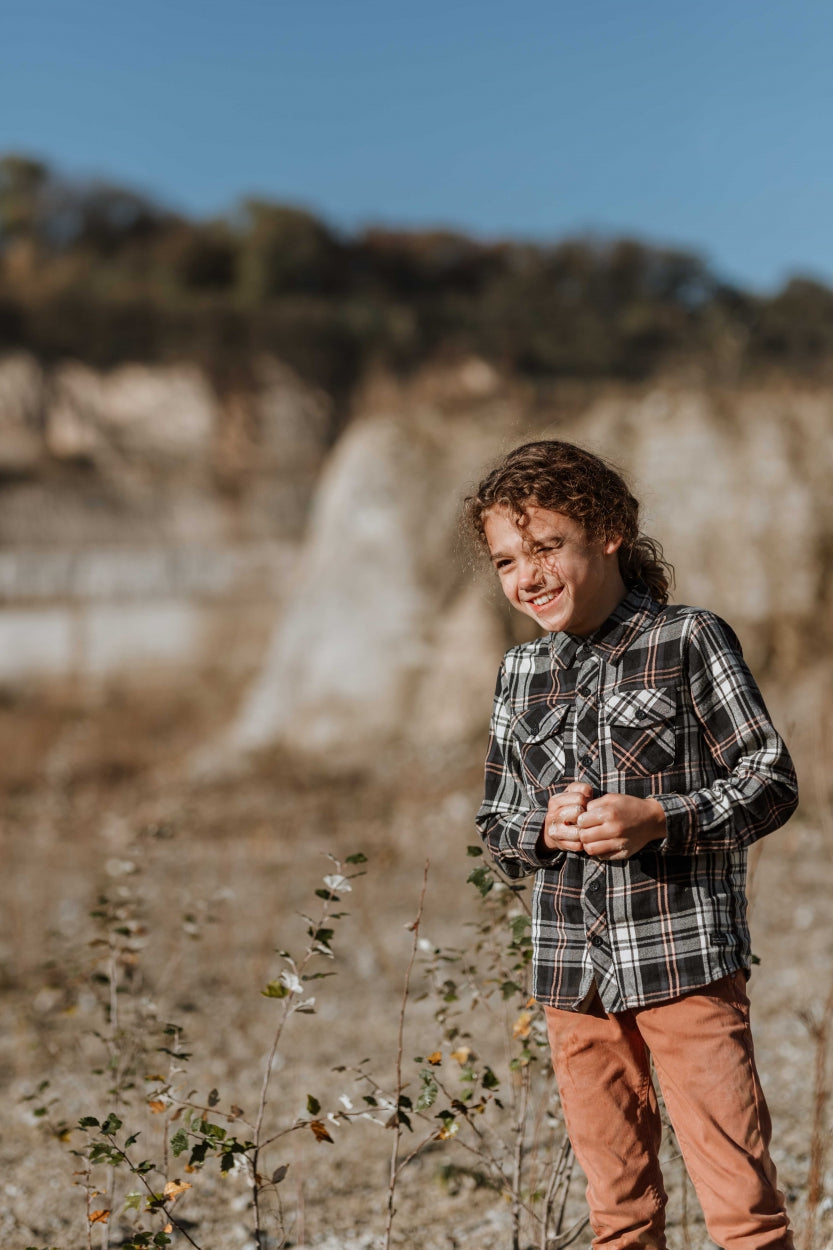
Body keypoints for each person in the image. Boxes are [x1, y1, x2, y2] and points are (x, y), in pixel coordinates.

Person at [466, 440, 799, 1250]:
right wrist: (539, 829)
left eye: (546, 547)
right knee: (617, 1212)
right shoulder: (519, 673)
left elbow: (771, 779)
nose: (528, 576)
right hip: (569, 977)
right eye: (507, 560)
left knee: (741, 1208)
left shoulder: (687, 640)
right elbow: (496, 825)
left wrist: (662, 818)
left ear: (608, 530)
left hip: (682, 960)